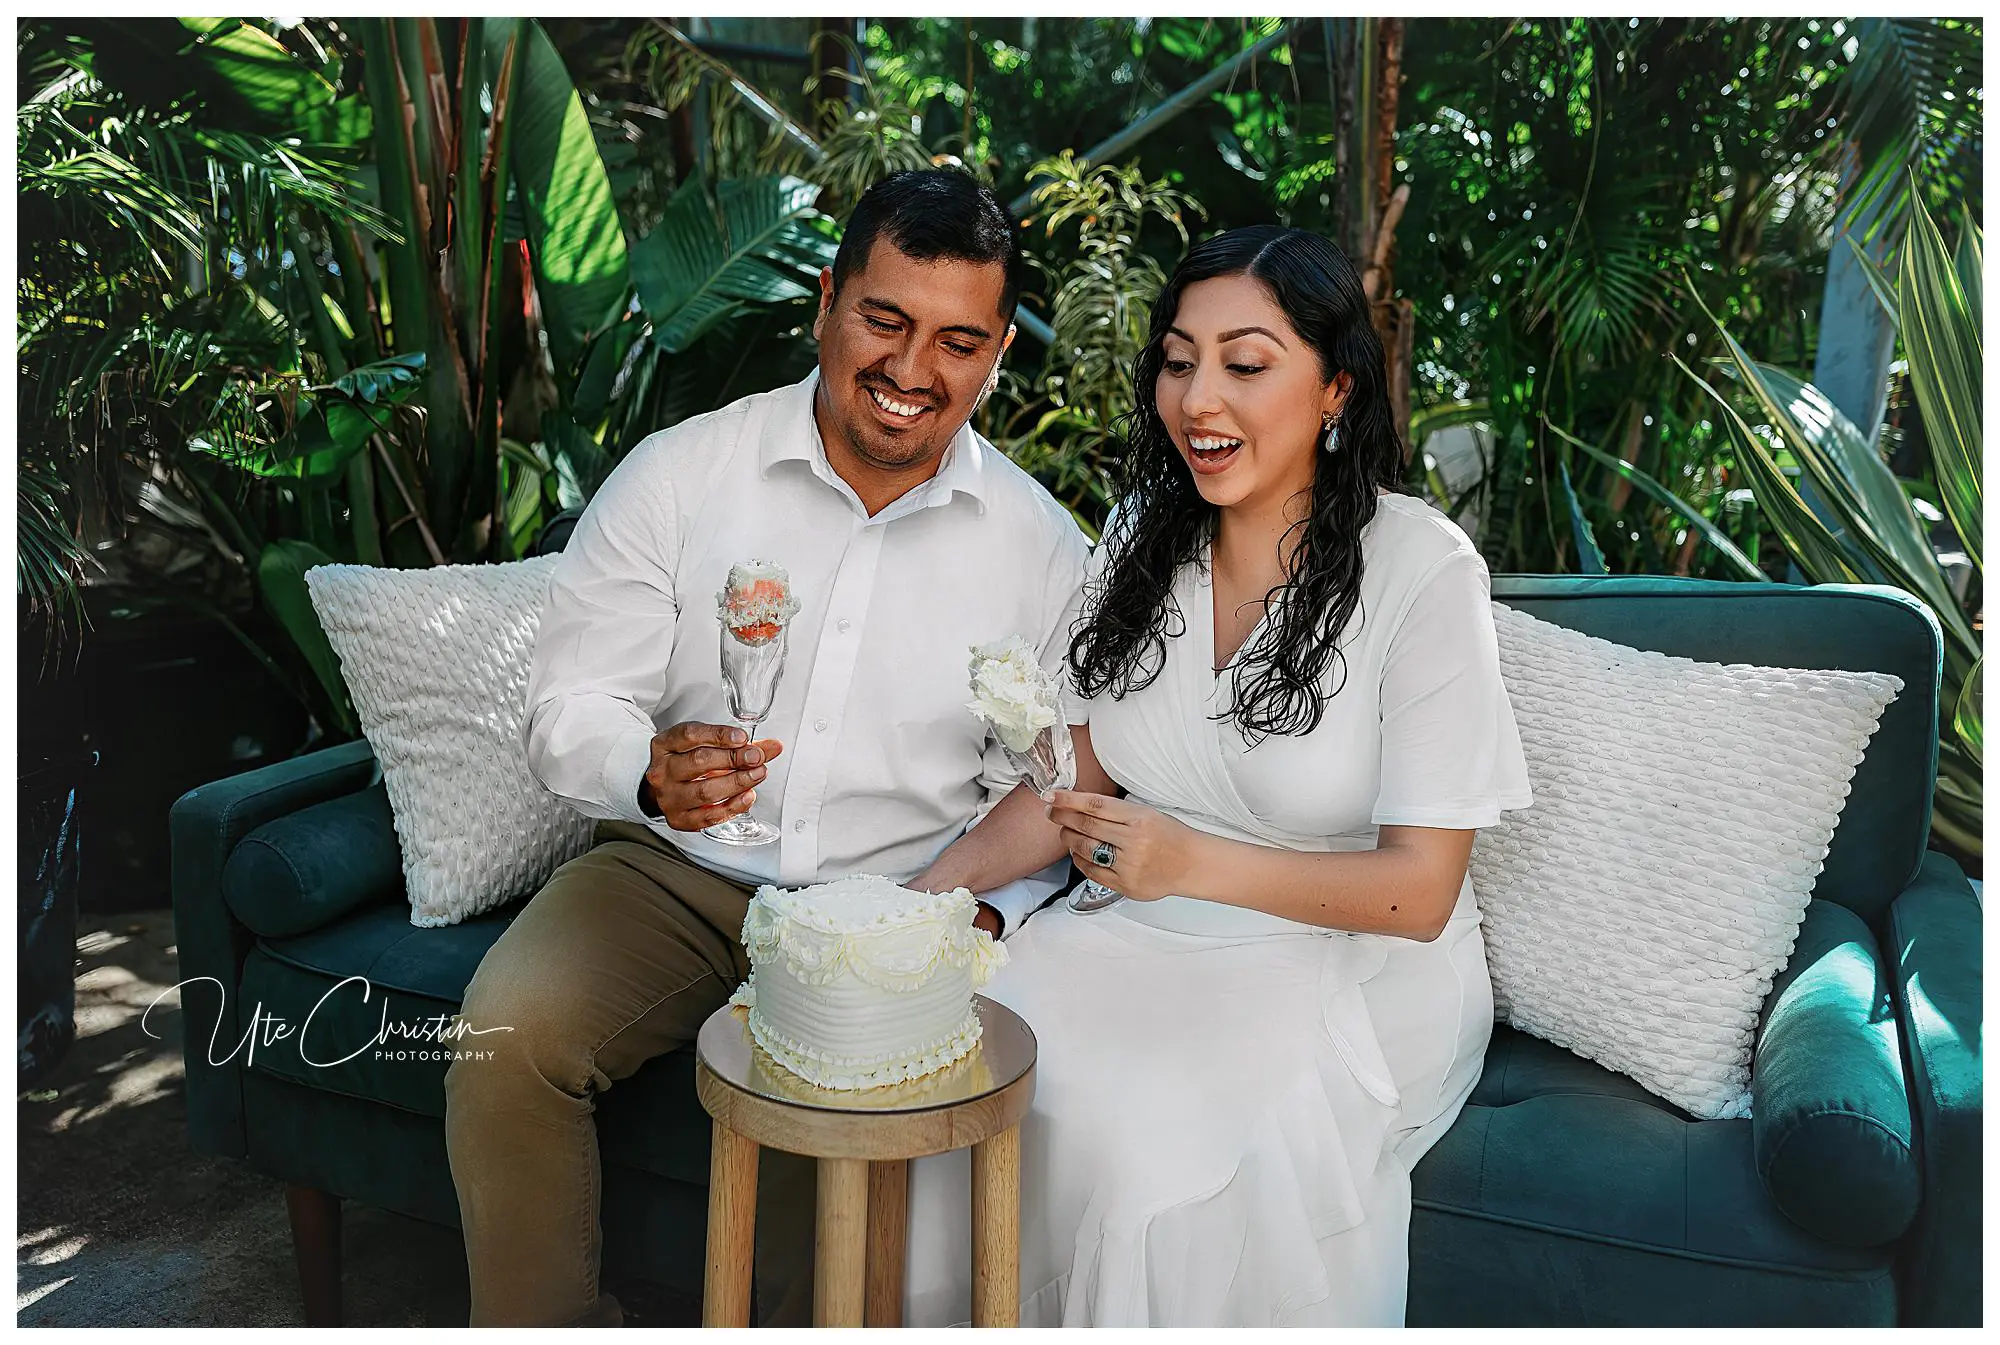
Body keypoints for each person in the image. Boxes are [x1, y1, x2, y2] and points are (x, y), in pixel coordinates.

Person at [442, 168, 1091, 1327]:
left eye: (956, 342)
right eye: (883, 319)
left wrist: (983, 914)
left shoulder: (1042, 550)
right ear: (827, 302)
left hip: (887, 909)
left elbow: (1050, 789)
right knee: (507, 1038)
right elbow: (570, 702)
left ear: (996, 354)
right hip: (672, 874)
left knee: (837, 1187)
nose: (910, 369)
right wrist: (646, 771)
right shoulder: (683, 472)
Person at [901, 225, 1534, 1327]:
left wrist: (1188, 862)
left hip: (1347, 967)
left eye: (1245, 364)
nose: (1198, 399)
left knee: (1147, 1156)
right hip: (1134, 932)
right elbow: (1076, 774)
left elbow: (1421, 893)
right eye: (1178, 361)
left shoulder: (1421, 569)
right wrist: (914, 903)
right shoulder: (1145, 537)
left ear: (1335, 388)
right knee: (955, 1070)